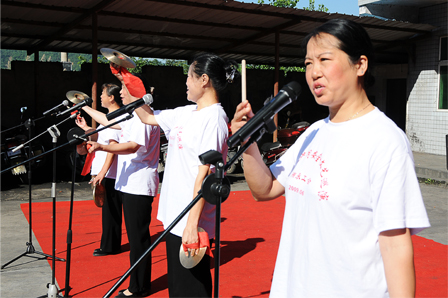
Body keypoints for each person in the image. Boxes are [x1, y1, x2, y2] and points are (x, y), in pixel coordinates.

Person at [231, 19, 430, 297]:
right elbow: (265, 189)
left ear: (360, 64)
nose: (314, 72)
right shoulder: (314, 132)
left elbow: (395, 242)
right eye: (308, 63)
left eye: (325, 59)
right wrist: (248, 143)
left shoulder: (385, 140)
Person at [128, 53, 238, 297]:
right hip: (174, 215)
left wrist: (192, 224)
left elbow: (205, 177)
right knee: (178, 287)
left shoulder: (215, 118)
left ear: (204, 80)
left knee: (192, 287)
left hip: (191, 219)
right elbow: (147, 116)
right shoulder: (186, 112)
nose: (185, 82)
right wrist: (129, 80)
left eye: (189, 76)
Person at [82, 70, 160, 298]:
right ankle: (137, 283)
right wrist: (84, 108)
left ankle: (139, 287)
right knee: (136, 237)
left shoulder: (142, 115)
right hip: (130, 183)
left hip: (139, 183)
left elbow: (134, 145)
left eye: (124, 89)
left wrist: (102, 147)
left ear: (135, 92)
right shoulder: (131, 114)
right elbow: (106, 120)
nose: (121, 94)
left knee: (138, 239)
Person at [75, 83, 123, 257]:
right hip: (107, 172)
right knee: (109, 211)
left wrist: (103, 172)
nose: (100, 97)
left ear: (111, 97)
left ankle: (110, 246)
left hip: (111, 173)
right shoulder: (108, 118)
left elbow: (113, 147)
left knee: (111, 211)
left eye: (102, 93)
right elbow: (99, 136)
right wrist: (85, 128)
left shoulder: (116, 118)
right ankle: (109, 244)